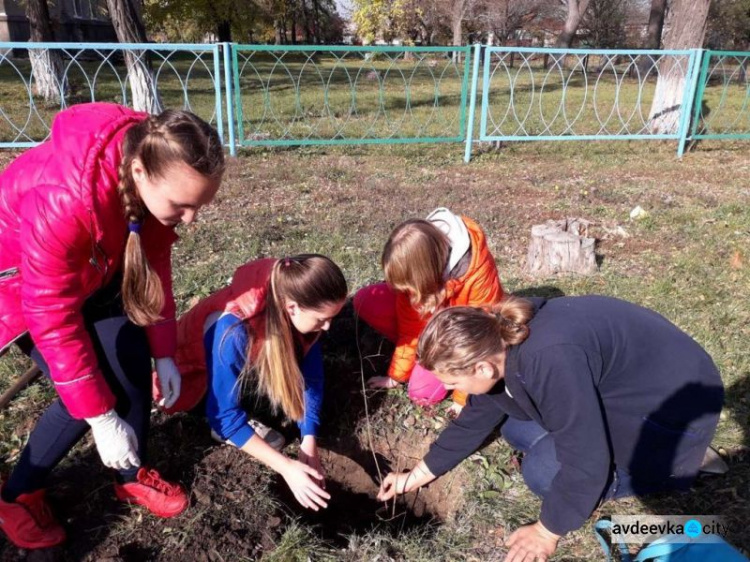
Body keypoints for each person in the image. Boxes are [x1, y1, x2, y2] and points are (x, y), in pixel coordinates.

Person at [0, 102, 225, 549]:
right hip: (21, 283)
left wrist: (163, 352)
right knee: (84, 392)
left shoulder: (152, 158)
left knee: (131, 358)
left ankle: (130, 473)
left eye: (198, 207)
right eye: (182, 206)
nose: (191, 220)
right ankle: (17, 494)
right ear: (139, 172)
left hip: (94, 266)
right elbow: (52, 314)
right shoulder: (63, 200)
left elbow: (154, 260)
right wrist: (102, 418)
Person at [378, 296, 724, 562]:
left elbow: (586, 461)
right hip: (639, 385)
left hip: (671, 413)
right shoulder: (502, 343)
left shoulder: (550, 360)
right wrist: (418, 474)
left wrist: (547, 531)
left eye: (453, 381)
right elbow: (476, 414)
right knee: (516, 428)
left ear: (482, 368)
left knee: (543, 472)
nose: (454, 388)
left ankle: (677, 465)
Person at [156, 255, 347, 512]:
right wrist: (286, 467)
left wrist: (308, 437)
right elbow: (223, 415)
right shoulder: (233, 331)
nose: (328, 327)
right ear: (292, 308)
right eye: (321, 319)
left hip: (242, 355)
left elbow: (310, 377)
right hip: (188, 376)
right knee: (216, 411)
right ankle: (228, 430)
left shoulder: (293, 303)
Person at [353, 207, 504, 412]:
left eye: (410, 288)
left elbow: (479, 342)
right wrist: (395, 376)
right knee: (365, 300)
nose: (408, 295)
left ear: (427, 273)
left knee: (422, 393)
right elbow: (410, 327)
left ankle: (432, 356)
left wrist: (462, 398)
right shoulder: (421, 255)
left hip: (458, 335)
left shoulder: (477, 272)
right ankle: (422, 352)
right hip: (436, 317)